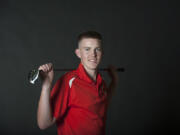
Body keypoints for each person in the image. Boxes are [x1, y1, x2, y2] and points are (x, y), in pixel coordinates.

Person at [37, 31, 118, 135]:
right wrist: (46, 87)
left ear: (102, 52)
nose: (93, 54)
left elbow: (102, 103)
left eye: (97, 49)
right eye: (87, 49)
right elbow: (43, 123)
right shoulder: (68, 82)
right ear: (78, 53)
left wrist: (114, 81)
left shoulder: (101, 82)